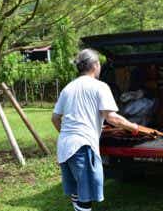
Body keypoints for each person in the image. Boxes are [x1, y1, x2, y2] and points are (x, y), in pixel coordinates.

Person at [51, 49, 140, 211]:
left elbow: (55, 118)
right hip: (82, 147)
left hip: (64, 146)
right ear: (95, 65)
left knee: (77, 190)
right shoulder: (100, 87)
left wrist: (67, 134)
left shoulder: (68, 88)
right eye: (99, 63)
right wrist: (133, 126)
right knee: (86, 195)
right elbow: (111, 118)